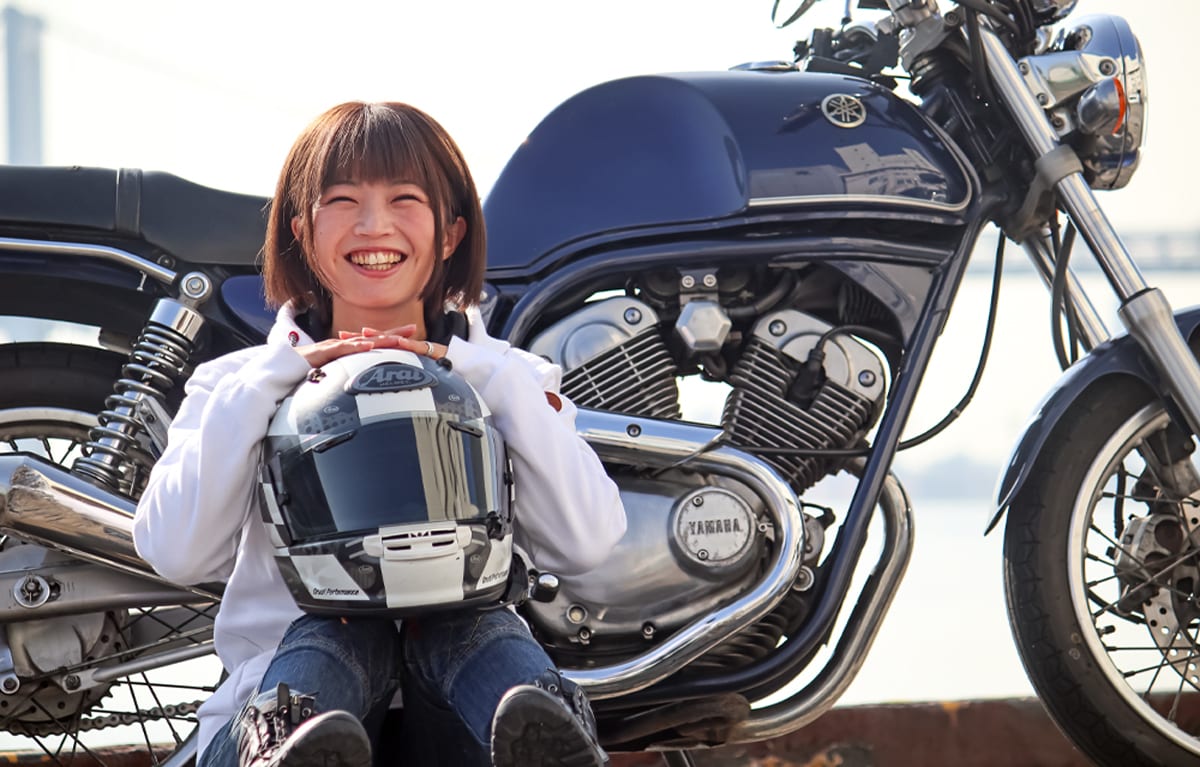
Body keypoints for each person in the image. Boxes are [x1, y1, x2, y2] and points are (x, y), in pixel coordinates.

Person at [133, 101, 627, 767]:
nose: (374, 225)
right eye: (343, 200)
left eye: (404, 199)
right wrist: (270, 383)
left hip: (462, 733)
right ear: (303, 231)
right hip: (271, 710)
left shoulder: (511, 379)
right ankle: (285, 748)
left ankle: (552, 739)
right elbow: (175, 553)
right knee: (345, 625)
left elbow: (587, 541)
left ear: (450, 233)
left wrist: (483, 374)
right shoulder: (235, 383)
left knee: (469, 616)